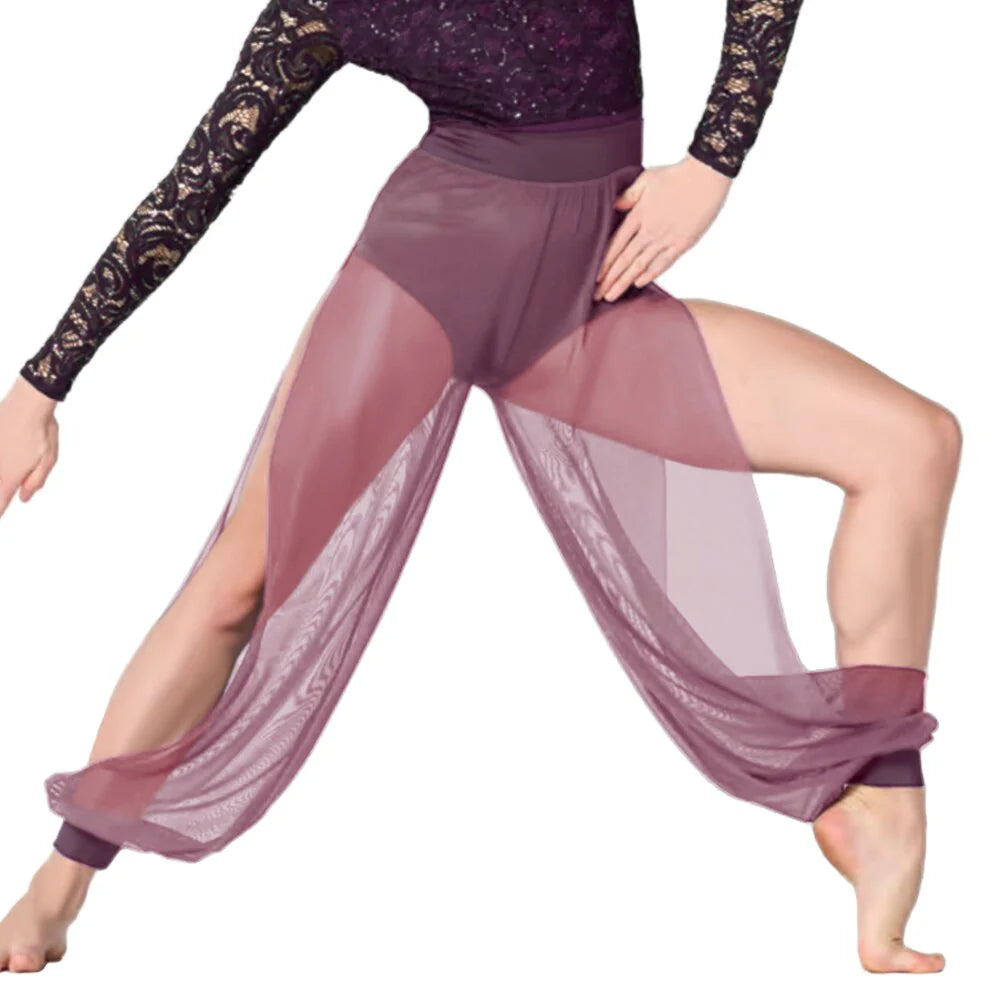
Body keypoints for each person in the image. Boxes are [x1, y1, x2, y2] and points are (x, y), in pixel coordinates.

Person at [0, 0, 959, 976]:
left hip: (582, 308)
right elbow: (190, 189)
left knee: (911, 445)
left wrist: (713, 160)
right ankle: (58, 885)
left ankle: (881, 804)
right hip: (424, 285)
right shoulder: (320, 10)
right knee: (239, 584)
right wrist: (40, 388)